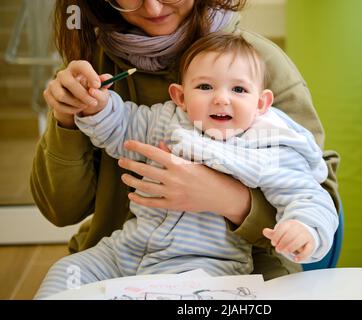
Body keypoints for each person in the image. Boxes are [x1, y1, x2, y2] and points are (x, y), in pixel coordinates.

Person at [31, 0, 340, 283]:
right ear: (178, 96)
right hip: (122, 251)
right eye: (204, 87)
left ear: (262, 103)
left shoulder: (261, 72)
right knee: (61, 275)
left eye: (239, 91)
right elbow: (62, 209)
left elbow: (312, 192)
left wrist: (229, 199)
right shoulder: (122, 89)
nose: (152, 8)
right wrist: (72, 115)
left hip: (226, 269)